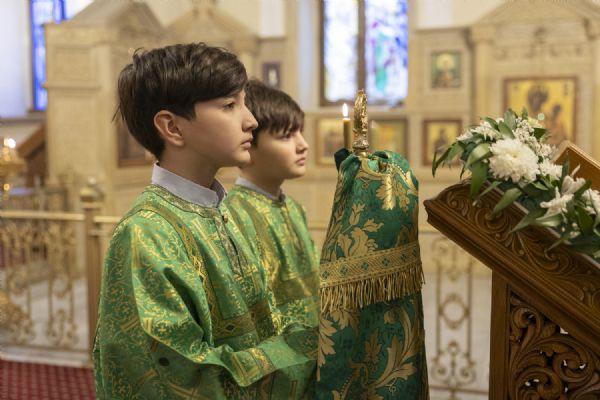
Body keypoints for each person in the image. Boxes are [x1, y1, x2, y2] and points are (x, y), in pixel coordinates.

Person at [93, 43, 316, 399]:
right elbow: (181, 379)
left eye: (244, 102)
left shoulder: (225, 213)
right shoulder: (145, 236)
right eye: (229, 106)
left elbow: (270, 323)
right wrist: (309, 350)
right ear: (173, 127)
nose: (250, 120)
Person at [225, 80, 319, 330]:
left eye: (300, 132)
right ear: (248, 143)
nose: (303, 144)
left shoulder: (294, 208)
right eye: (286, 136)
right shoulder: (234, 216)